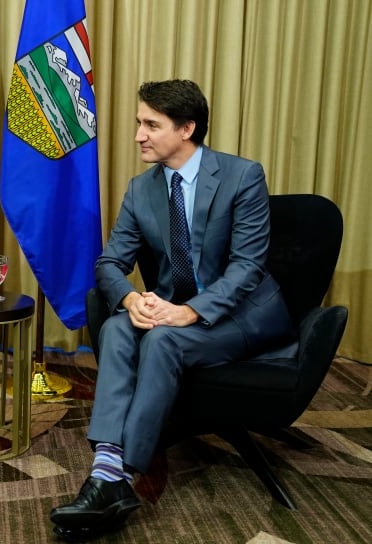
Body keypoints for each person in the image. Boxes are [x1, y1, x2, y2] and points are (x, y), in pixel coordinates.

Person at [50, 80, 295, 540]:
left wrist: (191, 312)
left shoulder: (242, 176)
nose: (139, 134)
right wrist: (130, 299)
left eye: (151, 125)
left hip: (243, 316)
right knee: (120, 329)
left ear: (187, 128)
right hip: (173, 310)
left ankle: (117, 477)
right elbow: (109, 263)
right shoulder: (142, 190)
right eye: (139, 123)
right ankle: (108, 472)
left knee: (162, 338)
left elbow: (247, 267)